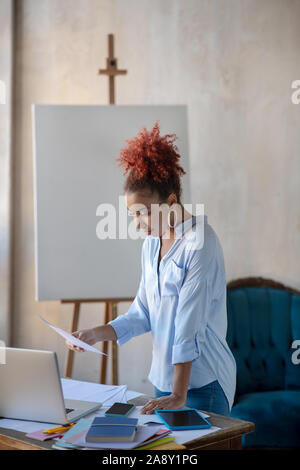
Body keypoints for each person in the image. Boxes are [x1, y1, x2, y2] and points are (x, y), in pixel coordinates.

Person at [65, 121, 236, 416]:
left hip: (201, 384)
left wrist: (178, 394)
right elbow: (142, 314)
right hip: (163, 383)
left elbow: (189, 325)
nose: (138, 224)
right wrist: (95, 333)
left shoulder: (200, 242)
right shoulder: (152, 245)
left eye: (143, 214)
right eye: (132, 215)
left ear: (171, 202)